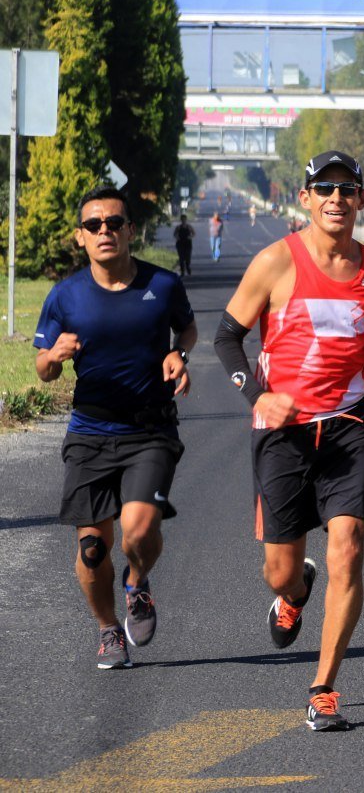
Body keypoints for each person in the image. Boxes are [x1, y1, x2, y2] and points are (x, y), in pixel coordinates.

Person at [214, 150, 364, 731]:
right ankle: (295, 590)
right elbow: (227, 339)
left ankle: (324, 687)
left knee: (349, 547)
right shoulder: (275, 262)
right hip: (282, 432)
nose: (336, 199)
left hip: (351, 426)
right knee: (279, 571)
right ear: (304, 198)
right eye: (324, 189)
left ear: (360, 200)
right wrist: (256, 397)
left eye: (347, 189)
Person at [33, 186, 197, 670]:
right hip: (90, 432)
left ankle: (136, 583)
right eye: (93, 225)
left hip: (150, 430)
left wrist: (178, 354)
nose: (104, 231)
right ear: (80, 237)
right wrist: (53, 358)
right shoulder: (64, 296)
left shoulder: (162, 285)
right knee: (91, 547)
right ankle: (108, 630)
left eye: (113, 223)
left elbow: (186, 329)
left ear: (129, 231)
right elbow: (43, 369)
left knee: (139, 531)